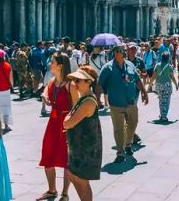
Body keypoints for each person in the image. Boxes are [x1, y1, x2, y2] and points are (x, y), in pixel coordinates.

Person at [98, 45, 148, 163]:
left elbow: (137, 80)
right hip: (116, 103)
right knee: (118, 129)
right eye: (120, 51)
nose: (123, 53)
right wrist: (96, 99)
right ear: (115, 53)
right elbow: (99, 84)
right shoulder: (107, 68)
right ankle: (120, 152)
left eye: (123, 51)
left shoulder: (130, 65)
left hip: (131, 101)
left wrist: (144, 92)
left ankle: (128, 144)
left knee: (133, 124)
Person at [63, 66, 102, 201]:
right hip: (79, 146)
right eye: (74, 80)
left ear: (89, 82)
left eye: (79, 80)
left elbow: (68, 123)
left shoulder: (88, 102)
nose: (75, 83)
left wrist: (67, 119)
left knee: (82, 182)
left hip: (85, 149)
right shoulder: (83, 99)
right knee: (74, 177)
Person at [38, 53, 74, 201]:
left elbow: (77, 105)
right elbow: (46, 91)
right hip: (53, 122)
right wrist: (45, 97)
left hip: (66, 123)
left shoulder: (70, 84)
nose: (49, 64)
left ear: (60, 65)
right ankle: (52, 190)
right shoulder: (52, 81)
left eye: (52, 62)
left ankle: (65, 193)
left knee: (67, 159)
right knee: (47, 155)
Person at [151, 52, 177, 122]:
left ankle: (162, 114)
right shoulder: (169, 66)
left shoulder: (157, 65)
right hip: (167, 85)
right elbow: (172, 77)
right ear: (168, 58)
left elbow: (154, 76)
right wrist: (176, 85)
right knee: (166, 100)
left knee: (161, 100)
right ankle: (164, 116)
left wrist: (150, 83)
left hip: (159, 84)